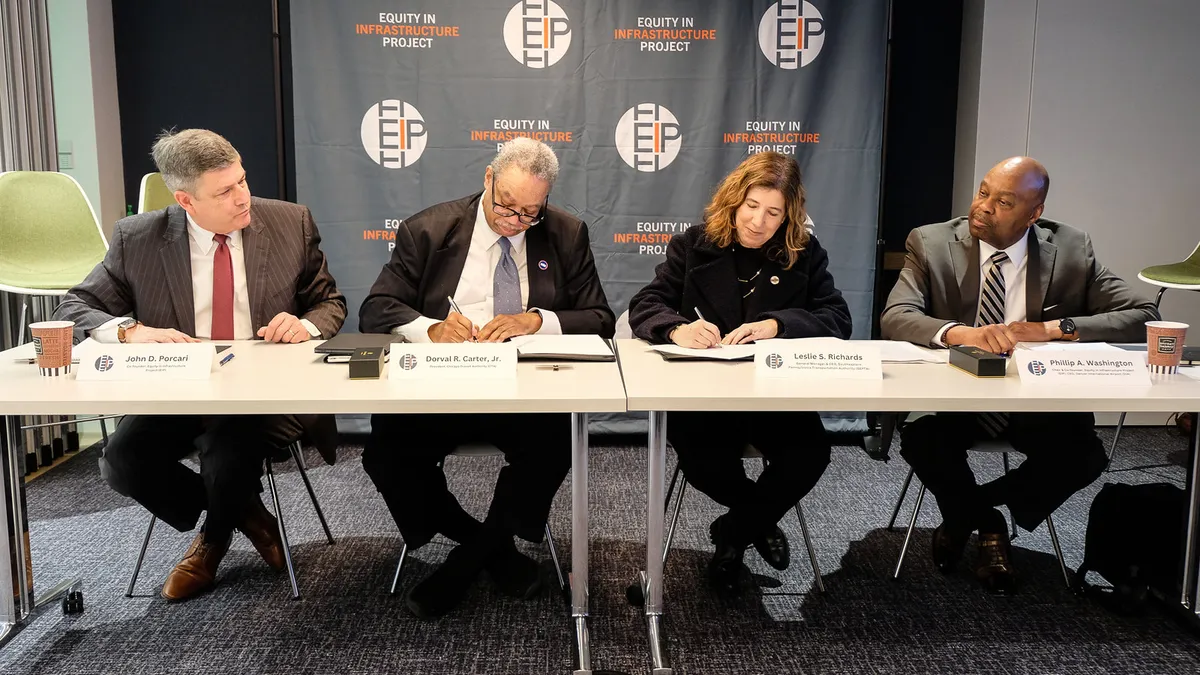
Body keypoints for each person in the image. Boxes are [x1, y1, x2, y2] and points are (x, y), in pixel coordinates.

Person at [54, 129, 347, 601]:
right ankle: (247, 515)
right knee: (121, 462)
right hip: (181, 391)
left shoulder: (290, 222)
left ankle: (211, 542)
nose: (242, 198)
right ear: (185, 200)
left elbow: (329, 303)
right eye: (225, 191)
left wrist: (305, 325)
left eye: (243, 181)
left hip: (268, 395)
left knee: (227, 449)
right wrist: (131, 330)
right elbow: (74, 307)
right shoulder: (139, 238)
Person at [359, 137, 614, 618]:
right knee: (387, 455)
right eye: (506, 206)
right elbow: (376, 309)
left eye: (529, 213)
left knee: (555, 444)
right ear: (487, 180)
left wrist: (535, 319)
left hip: (523, 389)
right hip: (442, 386)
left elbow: (600, 316)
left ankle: (464, 564)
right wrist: (430, 328)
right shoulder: (429, 229)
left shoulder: (565, 233)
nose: (514, 221)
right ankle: (489, 547)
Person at [880, 156, 1159, 594]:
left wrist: (1056, 329)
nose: (984, 206)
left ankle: (965, 514)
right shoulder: (931, 242)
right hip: (955, 391)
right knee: (923, 438)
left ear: (1034, 214)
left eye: (1003, 201)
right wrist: (960, 332)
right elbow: (896, 315)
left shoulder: (1069, 248)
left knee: (1084, 455)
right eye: (983, 192)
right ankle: (988, 524)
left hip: (1033, 394)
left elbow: (1143, 313)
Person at [628, 151, 852, 591]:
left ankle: (732, 533)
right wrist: (677, 330)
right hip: (702, 395)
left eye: (773, 213)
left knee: (810, 454)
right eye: (752, 207)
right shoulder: (693, 244)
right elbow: (644, 306)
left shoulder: (802, 252)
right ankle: (757, 522)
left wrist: (778, 324)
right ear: (734, 201)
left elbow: (837, 317)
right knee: (705, 463)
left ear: (788, 217)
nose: (758, 222)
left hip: (772, 392)